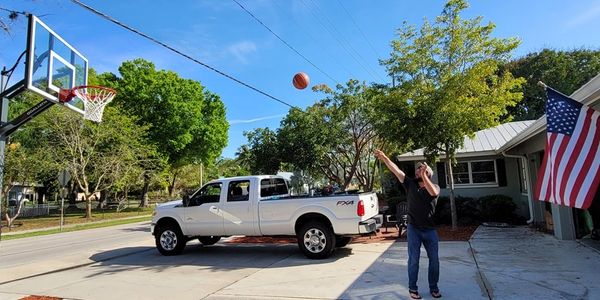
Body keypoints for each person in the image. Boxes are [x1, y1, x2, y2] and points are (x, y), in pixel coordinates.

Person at [374, 149, 442, 299]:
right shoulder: (410, 184)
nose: (418, 171)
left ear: (428, 174)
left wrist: (424, 175)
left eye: (422, 170)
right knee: (414, 260)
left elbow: (433, 194)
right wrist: (385, 157)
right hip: (414, 229)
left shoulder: (435, 187)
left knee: (435, 261)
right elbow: (396, 170)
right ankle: (413, 289)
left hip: (430, 230)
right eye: (418, 170)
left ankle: (434, 287)